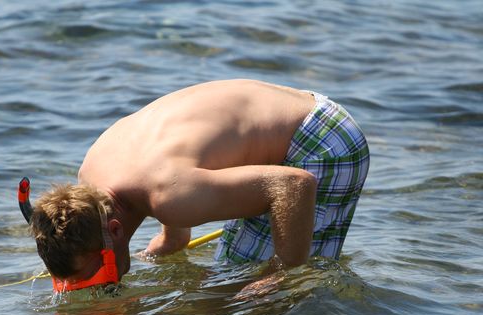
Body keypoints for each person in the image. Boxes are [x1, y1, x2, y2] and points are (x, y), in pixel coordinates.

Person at [29, 79, 369, 291]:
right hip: (295, 112)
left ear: (114, 231)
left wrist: (281, 274)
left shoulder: (170, 197)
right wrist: (172, 240)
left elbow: (294, 186)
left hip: (323, 141)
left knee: (263, 294)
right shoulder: (93, 173)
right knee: (232, 279)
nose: (87, 287)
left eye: (92, 277)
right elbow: (166, 169)